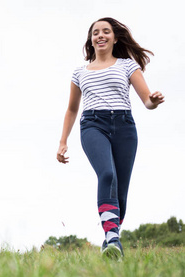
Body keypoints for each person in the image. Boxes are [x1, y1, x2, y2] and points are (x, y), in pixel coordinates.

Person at [56, 18, 164, 260]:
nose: (101, 35)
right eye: (96, 32)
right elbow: (72, 109)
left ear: (115, 38)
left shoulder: (127, 65)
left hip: (124, 127)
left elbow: (146, 100)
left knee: (121, 192)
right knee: (107, 174)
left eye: (106, 31)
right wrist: (63, 141)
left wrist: (153, 101)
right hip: (93, 124)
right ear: (91, 40)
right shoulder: (79, 72)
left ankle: (110, 238)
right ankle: (113, 238)